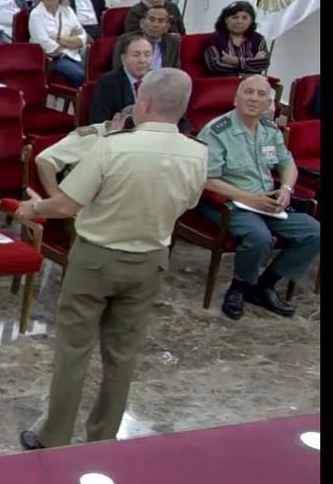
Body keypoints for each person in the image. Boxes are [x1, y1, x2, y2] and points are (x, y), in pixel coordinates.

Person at [16, 68, 207, 452]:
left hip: (97, 258)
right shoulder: (197, 152)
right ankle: (103, 438)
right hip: (150, 259)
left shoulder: (114, 147)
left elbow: (68, 204)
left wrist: (33, 207)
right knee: (122, 354)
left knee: (74, 350)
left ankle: (55, 435)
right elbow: (188, 203)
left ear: (144, 102)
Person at [197, 75, 320, 320]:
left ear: (269, 103)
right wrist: (249, 198)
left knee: (314, 232)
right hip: (227, 202)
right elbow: (206, 179)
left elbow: (287, 163)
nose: (254, 98)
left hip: (266, 202)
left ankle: (263, 286)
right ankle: (239, 287)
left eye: (261, 94)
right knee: (259, 237)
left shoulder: (269, 130)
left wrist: (286, 189)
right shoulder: (217, 131)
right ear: (236, 98)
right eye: (248, 92)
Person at [87, 36, 191, 133]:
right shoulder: (108, 82)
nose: (142, 60)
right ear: (123, 58)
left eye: (147, 55)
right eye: (136, 55)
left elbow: (179, 120)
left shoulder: (158, 81)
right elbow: (99, 120)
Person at [34, 106, 134, 198]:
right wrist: (56, 199)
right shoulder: (90, 137)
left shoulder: (132, 144)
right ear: (116, 119)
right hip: (84, 203)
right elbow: (44, 160)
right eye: (129, 126)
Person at [28, 0, 88, 86]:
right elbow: (46, 46)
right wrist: (70, 40)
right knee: (80, 75)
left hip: (73, 55)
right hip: (51, 59)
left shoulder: (67, 10)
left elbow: (83, 37)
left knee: (94, 75)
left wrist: (58, 39)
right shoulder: (36, 15)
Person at [202, 1, 271, 76]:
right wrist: (252, 64)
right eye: (234, 17)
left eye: (244, 18)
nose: (239, 21)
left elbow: (263, 64)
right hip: (223, 81)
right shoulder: (214, 39)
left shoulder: (258, 39)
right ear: (226, 20)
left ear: (251, 20)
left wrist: (235, 61)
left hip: (252, 81)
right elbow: (215, 66)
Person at [112, 5, 180, 72]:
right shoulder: (125, 40)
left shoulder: (172, 42)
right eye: (151, 20)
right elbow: (118, 70)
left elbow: (174, 71)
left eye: (161, 21)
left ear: (167, 27)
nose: (155, 25)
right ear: (142, 23)